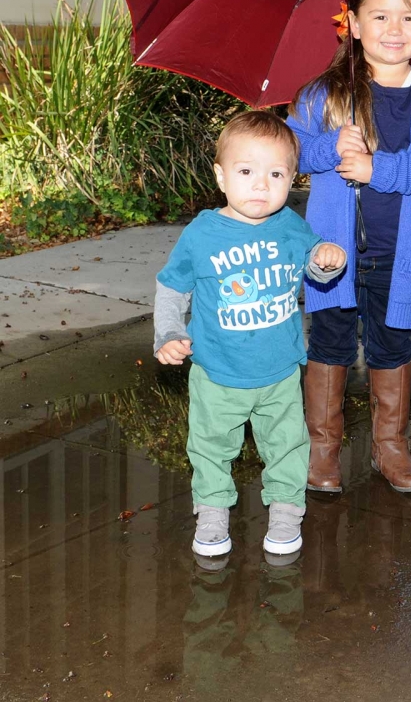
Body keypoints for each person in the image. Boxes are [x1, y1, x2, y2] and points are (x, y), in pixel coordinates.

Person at [287, 0, 411, 495]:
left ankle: (390, 447)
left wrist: (377, 168)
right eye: (379, 15)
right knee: (331, 345)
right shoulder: (325, 93)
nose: (394, 29)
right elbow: (289, 148)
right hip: (331, 256)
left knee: (390, 346)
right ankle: (322, 449)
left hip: (396, 253)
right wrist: (328, 147)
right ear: (354, 24)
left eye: (408, 17)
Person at [153, 111, 346, 558]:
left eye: (276, 173)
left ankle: (285, 510)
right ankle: (214, 510)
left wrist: (325, 258)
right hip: (218, 371)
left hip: (279, 370)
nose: (262, 185)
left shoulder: (289, 226)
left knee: (287, 445)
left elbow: (312, 264)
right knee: (210, 447)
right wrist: (168, 332)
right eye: (246, 172)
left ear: (292, 178)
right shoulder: (203, 233)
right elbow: (172, 285)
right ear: (221, 176)